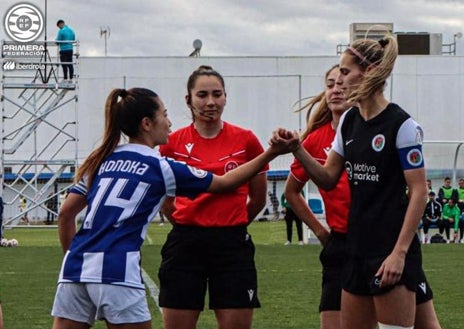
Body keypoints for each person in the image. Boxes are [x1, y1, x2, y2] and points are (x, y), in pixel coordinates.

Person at [51, 87, 298, 329]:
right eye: (165, 115)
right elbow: (224, 183)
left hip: (74, 269)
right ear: (147, 124)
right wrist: (272, 153)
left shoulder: (100, 160)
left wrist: (74, 259)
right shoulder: (161, 166)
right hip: (118, 270)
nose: (169, 122)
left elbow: (65, 214)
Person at [277, 35, 434, 329]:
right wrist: (297, 147)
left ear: (370, 72)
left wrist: (399, 253)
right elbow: (327, 177)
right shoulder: (349, 121)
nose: (340, 80)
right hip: (356, 249)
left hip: (389, 249)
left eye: (346, 72)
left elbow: (419, 192)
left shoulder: (402, 125)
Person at [158, 65, 270, 329]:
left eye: (217, 94)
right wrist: (188, 221)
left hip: (232, 246)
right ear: (189, 99)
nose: (211, 102)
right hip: (185, 244)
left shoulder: (246, 140)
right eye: (202, 95)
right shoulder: (172, 143)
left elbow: (258, 199)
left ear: (225, 97)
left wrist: (234, 221)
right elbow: (165, 199)